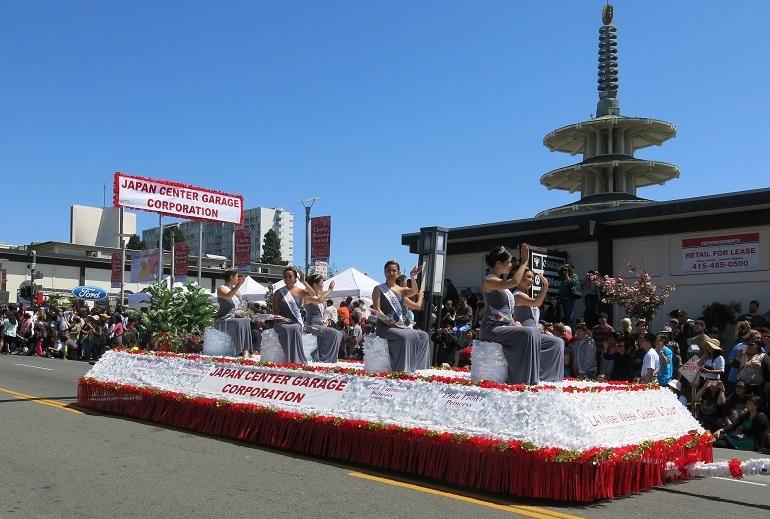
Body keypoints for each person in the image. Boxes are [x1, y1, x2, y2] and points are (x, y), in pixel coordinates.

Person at [478, 244, 542, 385]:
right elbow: (513, 282)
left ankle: (539, 377)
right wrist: (524, 262)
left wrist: (513, 321)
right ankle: (520, 380)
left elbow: (504, 311)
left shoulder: (502, 284)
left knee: (541, 336)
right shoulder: (489, 280)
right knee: (528, 333)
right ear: (498, 263)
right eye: (509, 262)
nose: (511, 265)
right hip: (492, 328)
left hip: (505, 325)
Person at [371, 261, 429, 373]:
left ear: (398, 273)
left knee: (424, 335)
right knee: (406, 336)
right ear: (384, 272)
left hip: (399, 326)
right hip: (385, 327)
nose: (391, 273)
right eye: (388, 270)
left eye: (394, 271)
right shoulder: (378, 289)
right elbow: (377, 311)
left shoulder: (401, 290)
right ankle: (403, 370)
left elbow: (414, 291)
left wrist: (412, 277)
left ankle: (420, 369)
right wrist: (391, 323)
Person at [512, 269, 564, 382]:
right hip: (526, 335)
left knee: (557, 341)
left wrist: (541, 326)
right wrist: (545, 286)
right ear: (519, 278)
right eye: (528, 277)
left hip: (534, 333)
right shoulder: (517, 295)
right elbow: (537, 302)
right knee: (557, 342)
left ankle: (548, 376)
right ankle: (544, 376)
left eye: (532, 277)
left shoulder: (525, 296)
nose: (531, 280)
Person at [273, 267, 316, 364]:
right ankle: (289, 358)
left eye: (290, 276)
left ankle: (297, 359)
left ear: (295, 278)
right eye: (285, 277)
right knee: (287, 329)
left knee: (295, 328)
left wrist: (304, 282)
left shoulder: (300, 291)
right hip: (281, 321)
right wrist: (283, 319)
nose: (287, 278)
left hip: (295, 321)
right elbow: (275, 311)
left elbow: (313, 294)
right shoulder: (278, 292)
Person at [303, 274, 343, 363]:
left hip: (319, 325)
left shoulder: (318, 294)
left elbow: (321, 296)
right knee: (334, 333)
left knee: (339, 333)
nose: (323, 284)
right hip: (311, 325)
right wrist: (330, 290)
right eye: (321, 282)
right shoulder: (308, 296)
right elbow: (320, 300)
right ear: (315, 284)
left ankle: (326, 356)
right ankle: (327, 359)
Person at [215, 270, 253, 358]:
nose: (238, 278)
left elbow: (240, 305)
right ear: (231, 277)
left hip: (234, 317)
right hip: (223, 318)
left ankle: (246, 350)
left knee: (246, 320)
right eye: (237, 276)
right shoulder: (221, 288)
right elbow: (228, 296)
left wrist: (242, 312)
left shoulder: (236, 291)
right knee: (238, 323)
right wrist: (239, 285)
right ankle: (239, 350)